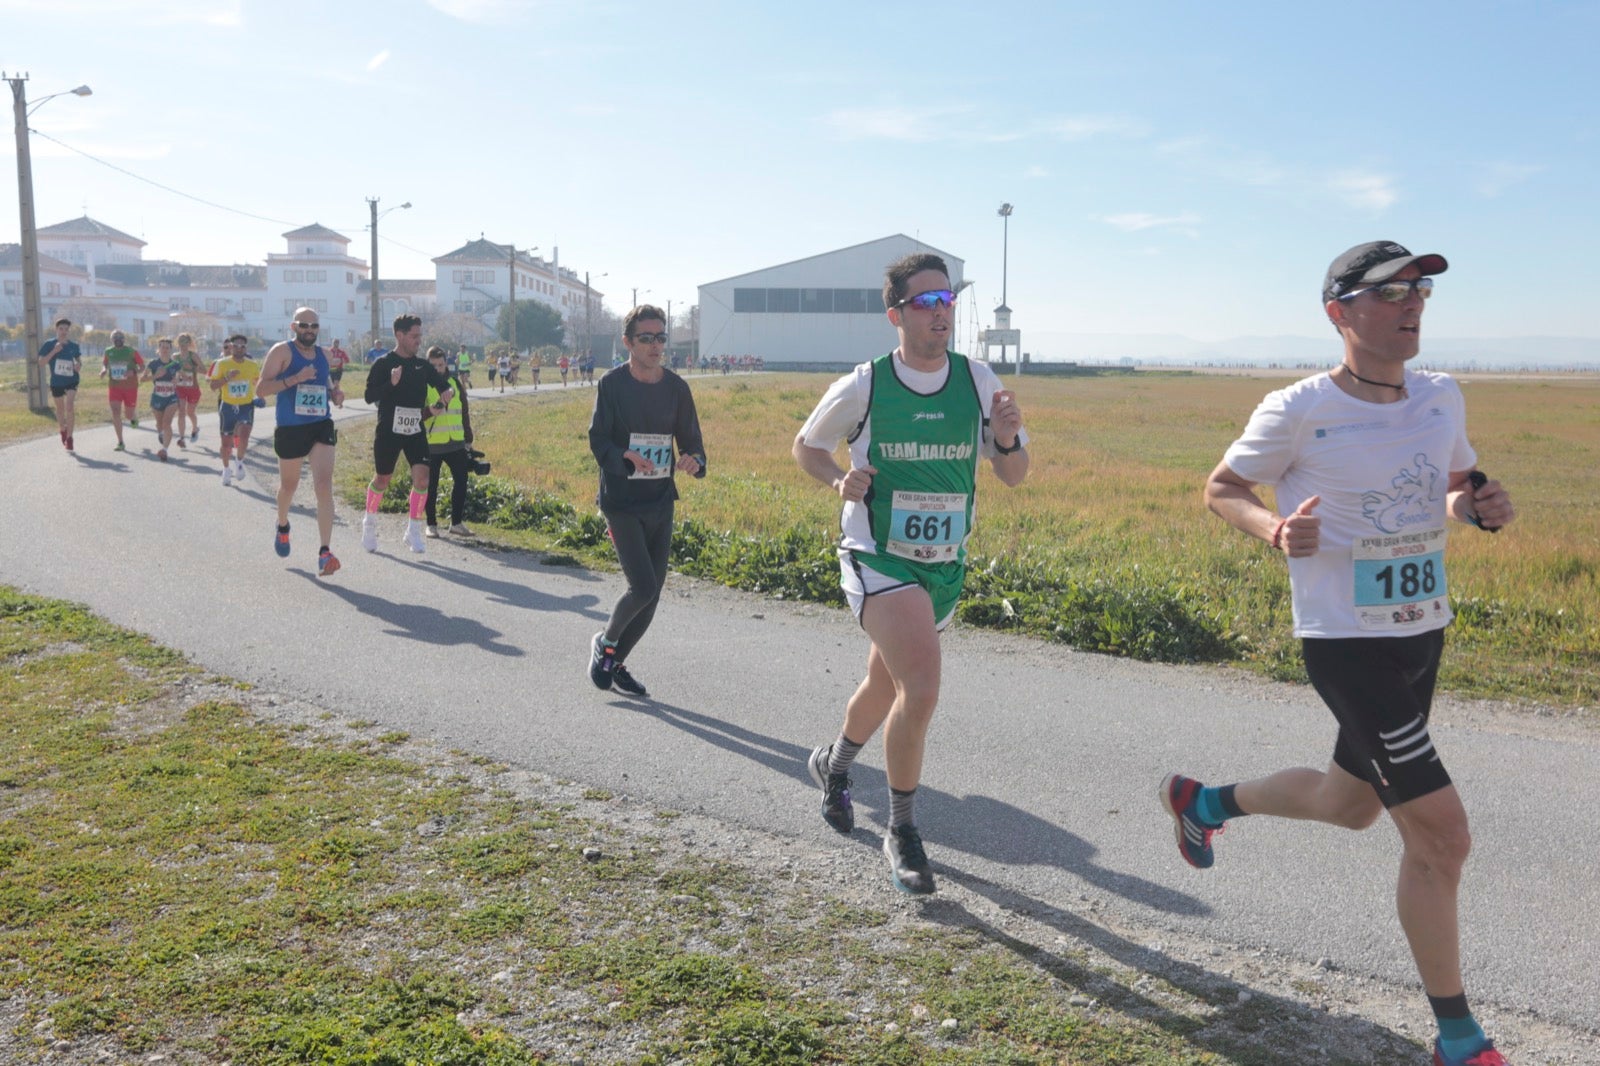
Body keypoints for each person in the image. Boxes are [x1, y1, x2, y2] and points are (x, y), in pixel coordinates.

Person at [1169, 241, 1516, 1066]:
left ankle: (1204, 803)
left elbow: (1453, 484)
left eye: (1420, 288)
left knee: (1349, 804)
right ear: (1339, 312)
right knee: (1442, 836)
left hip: (1422, 632)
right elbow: (1222, 488)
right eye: (1390, 291)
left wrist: (1477, 507)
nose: (1412, 302)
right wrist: (1275, 530)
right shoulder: (1297, 407)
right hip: (1348, 643)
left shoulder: (1441, 395)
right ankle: (1459, 1041)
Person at [792, 254, 1028, 896]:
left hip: (943, 565)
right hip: (877, 554)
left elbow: (1013, 475)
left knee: (885, 683)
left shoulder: (977, 380)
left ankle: (834, 765)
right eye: (925, 303)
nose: (940, 312)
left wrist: (1008, 439)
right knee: (920, 688)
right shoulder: (865, 384)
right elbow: (807, 448)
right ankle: (902, 830)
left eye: (946, 300)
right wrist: (840, 480)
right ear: (896, 315)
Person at [586, 305, 707, 700]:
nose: (656, 345)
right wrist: (622, 456)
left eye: (661, 337)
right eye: (646, 338)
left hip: (660, 499)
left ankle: (615, 662)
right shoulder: (612, 385)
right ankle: (605, 642)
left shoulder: (677, 388)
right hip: (621, 501)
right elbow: (598, 439)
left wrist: (694, 460)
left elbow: (693, 443)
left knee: (652, 595)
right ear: (628, 342)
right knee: (642, 587)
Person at [257, 307, 343, 577]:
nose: (309, 330)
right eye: (303, 325)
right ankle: (282, 525)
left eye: (314, 326)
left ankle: (325, 552)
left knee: (323, 485)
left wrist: (335, 394)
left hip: (320, 424)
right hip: (291, 428)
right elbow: (261, 389)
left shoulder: (324, 355)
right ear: (293, 327)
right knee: (289, 486)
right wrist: (294, 379)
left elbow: (327, 384)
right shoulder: (281, 352)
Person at [361, 314, 454, 554]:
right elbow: (369, 396)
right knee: (382, 480)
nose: (418, 340)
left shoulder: (422, 365)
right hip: (388, 431)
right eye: (414, 336)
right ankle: (369, 521)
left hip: (415, 430)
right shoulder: (383, 364)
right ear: (399, 335)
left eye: (420, 335)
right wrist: (391, 384)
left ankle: (413, 530)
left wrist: (448, 391)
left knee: (422, 480)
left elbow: (443, 384)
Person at [422, 345, 476, 538]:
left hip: (456, 442)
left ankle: (456, 523)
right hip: (432, 444)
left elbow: (464, 411)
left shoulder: (455, 383)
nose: (438, 369)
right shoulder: (423, 384)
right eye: (433, 365)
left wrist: (468, 439)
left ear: (446, 364)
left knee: (461, 481)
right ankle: (431, 524)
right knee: (431, 485)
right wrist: (430, 411)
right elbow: (416, 414)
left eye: (441, 364)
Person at [208, 334, 261, 485]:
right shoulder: (222, 364)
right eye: (236, 346)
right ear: (230, 347)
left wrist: (260, 396)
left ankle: (239, 461)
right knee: (226, 444)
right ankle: (226, 469)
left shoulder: (252, 365)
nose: (239, 349)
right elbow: (212, 386)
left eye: (242, 346)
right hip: (228, 407)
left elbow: (258, 383)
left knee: (244, 436)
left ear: (246, 348)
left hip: (246, 406)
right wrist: (227, 378)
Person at [38, 317, 81, 453]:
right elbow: (41, 363)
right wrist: (54, 351)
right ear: (56, 329)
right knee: (60, 409)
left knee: (69, 407)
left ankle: (70, 438)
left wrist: (78, 365)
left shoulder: (74, 345)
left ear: (69, 331)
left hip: (71, 380)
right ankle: (62, 429)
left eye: (66, 329)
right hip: (57, 381)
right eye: (61, 329)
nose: (64, 331)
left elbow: (78, 360)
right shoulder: (49, 344)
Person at [98, 329, 144, 452]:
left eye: (120, 338)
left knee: (128, 415)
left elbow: (142, 367)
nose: (118, 340)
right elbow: (105, 363)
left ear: (124, 339)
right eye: (115, 338)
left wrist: (133, 371)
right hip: (114, 387)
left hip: (130, 387)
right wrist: (103, 370)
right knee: (115, 412)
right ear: (112, 340)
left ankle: (133, 417)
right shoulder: (108, 351)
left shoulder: (131, 351)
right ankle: (120, 442)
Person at [141, 337, 181, 461]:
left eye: (167, 347)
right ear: (158, 349)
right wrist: (155, 376)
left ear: (170, 350)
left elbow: (180, 377)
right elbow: (142, 379)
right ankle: (161, 433)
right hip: (157, 397)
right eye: (162, 347)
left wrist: (177, 380)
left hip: (171, 397)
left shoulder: (175, 364)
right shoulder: (153, 363)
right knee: (160, 423)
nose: (164, 349)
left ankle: (164, 450)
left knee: (166, 423)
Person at [172, 332, 206, 446]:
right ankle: (181, 438)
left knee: (190, 412)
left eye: (185, 342)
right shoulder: (175, 357)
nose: (183, 344)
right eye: (180, 342)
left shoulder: (193, 356)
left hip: (193, 388)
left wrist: (192, 368)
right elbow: (172, 371)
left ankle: (195, 428)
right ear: (177, 343)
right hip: (180, 388)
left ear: (189, 343)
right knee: (181, 412)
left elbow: (205, 370)